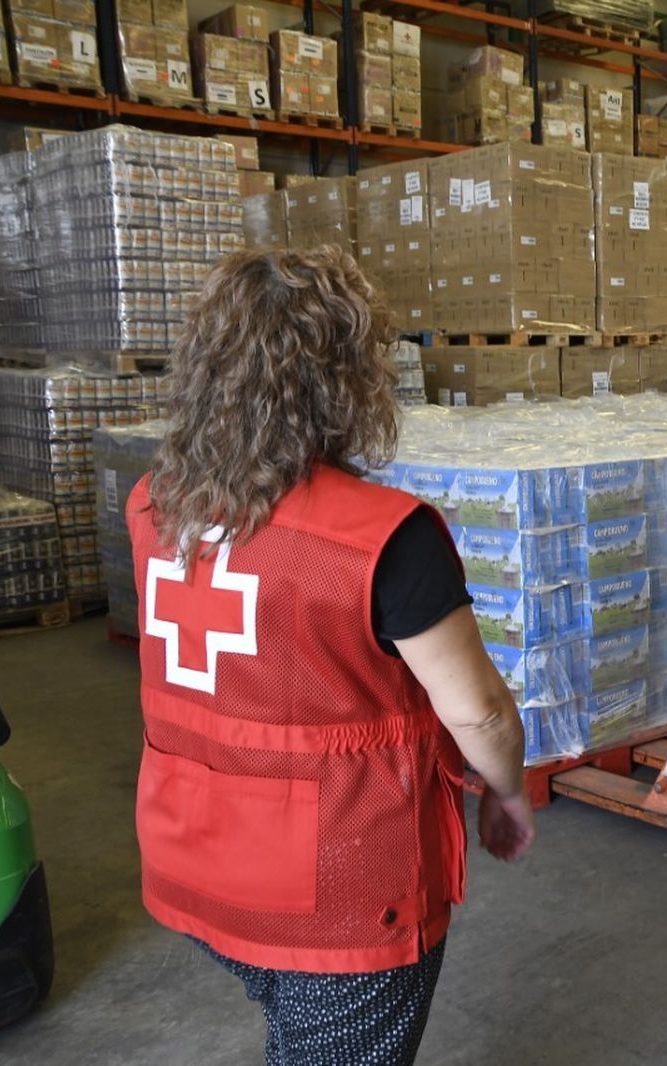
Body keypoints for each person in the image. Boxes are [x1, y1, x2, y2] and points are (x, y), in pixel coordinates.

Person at [128, 248, 536, 1064]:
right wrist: (510, 794)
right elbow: (479, 710)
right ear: (348, 378)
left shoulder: (156, 503)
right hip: (340, 887)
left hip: (192, 851)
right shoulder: (384, 537)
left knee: (295, 1023)